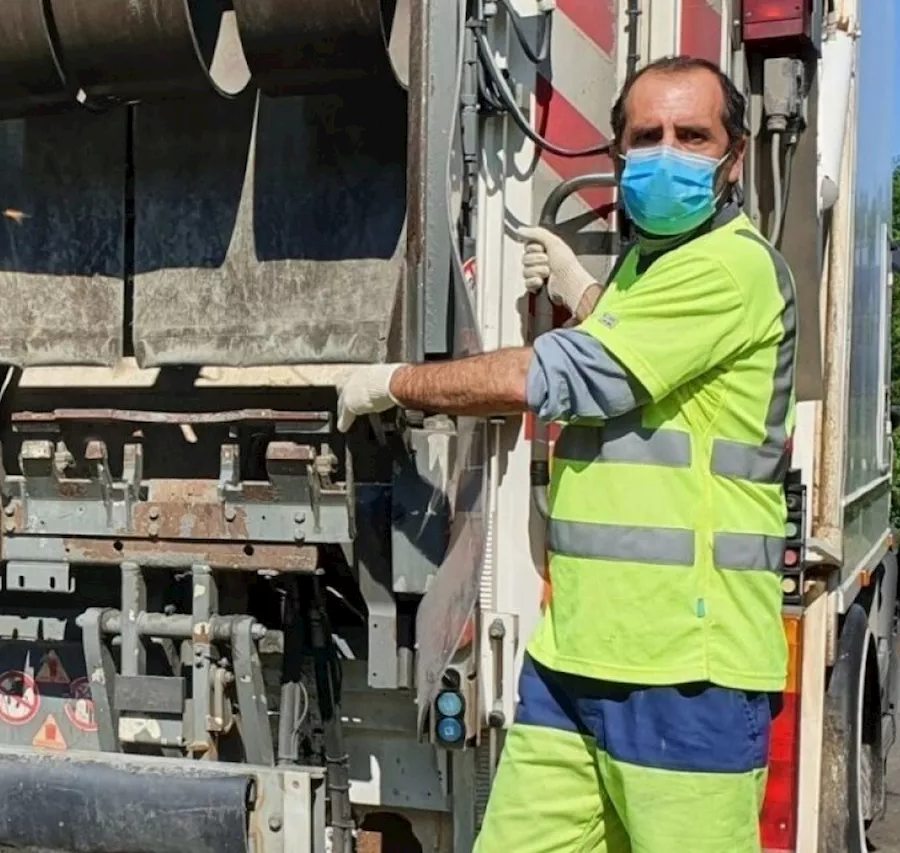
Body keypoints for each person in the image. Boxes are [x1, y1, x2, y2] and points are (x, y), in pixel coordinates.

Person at [336, 55, 796, 853]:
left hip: (688, 669)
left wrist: (394, 382)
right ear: (617, 153)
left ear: (735, 157)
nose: (665, 153)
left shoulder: (733, 268)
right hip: (574, 656)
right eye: (646, 136)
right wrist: (587, 289)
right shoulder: (652, 272)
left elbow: (554, 374)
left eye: (692, 136)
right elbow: (639, 348)